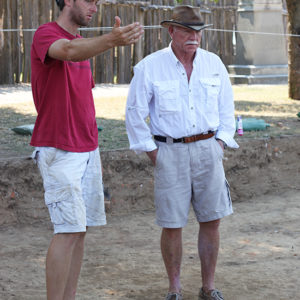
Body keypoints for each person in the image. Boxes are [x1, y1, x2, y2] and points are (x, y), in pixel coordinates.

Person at [30, 0, 143, 299]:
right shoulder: (45, 34)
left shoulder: (84, 44)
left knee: (79, 231)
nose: (96, 6)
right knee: (67, 231)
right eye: (90, 0)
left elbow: (84, 102)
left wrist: (95, 152)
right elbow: (66, 51)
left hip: (86, 149)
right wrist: (111, 40)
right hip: (59, 148)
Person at [125, 5, 238, 300]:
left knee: (211, 219)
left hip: (208, 149)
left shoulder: (214, 64)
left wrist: (220, 143)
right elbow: (134, 113)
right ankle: (174, 288)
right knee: (172, 223)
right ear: (171, 31)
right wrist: (154, 153)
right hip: (169, 151)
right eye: (187, 31)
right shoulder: (150, 66)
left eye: (198, 32)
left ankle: (208, 287)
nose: (193, 37)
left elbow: (227, 109)